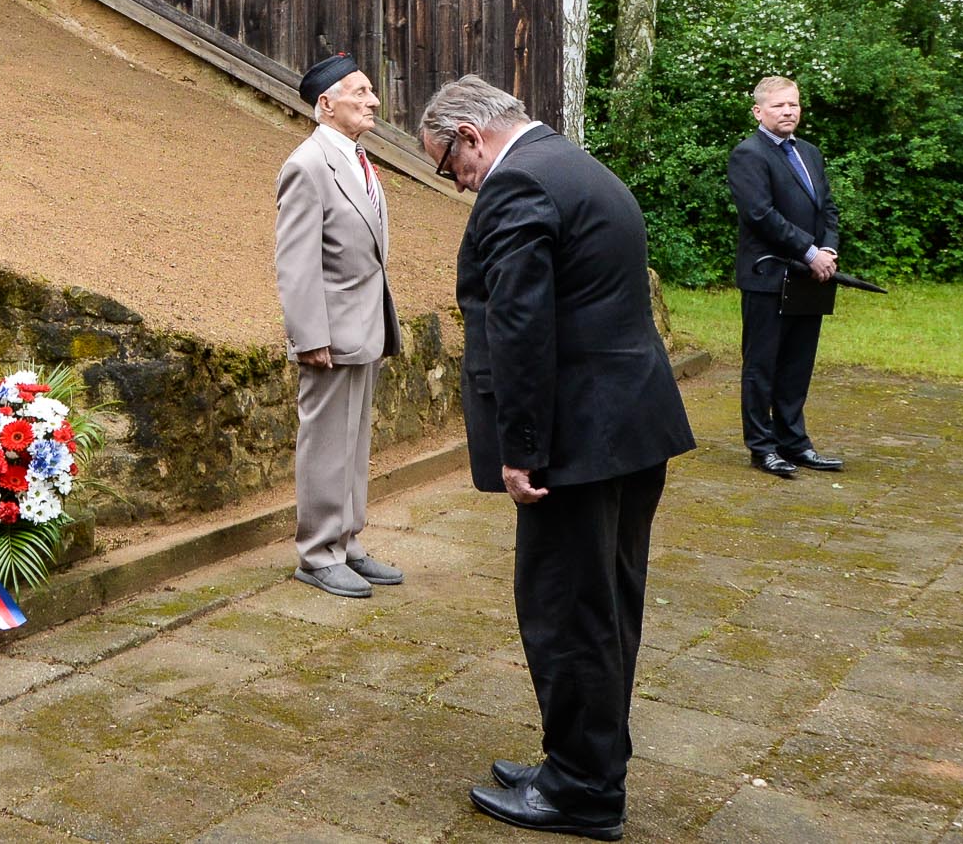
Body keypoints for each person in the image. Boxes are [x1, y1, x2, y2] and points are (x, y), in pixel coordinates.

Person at [418, 75, 694, 841]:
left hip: (576, 440)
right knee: (606, 609)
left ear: (471, 137)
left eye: (450, 166)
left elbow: (519, 323)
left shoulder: (518, 185)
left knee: (566, 612)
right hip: (632, 425)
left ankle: (582, 791)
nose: (458, 182)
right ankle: (584, 757)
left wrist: (521, 449)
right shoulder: (575, 164)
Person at [274, 52, 404, 599]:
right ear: (326, 103)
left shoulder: (356, 157)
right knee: (325, 444)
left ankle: (346, 542)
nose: (373, 101)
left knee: (351, 443)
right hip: (329, 334)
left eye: (371, 91)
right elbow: (295, 261)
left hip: (364, 324)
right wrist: (311, 338)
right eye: (360, 93)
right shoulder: (307, 164)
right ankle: (317, 553)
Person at [727, 75, 844, 479]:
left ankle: (795, 443)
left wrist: (827, 249)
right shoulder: (749, 154)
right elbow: (760, 215)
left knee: (797, 364)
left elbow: (827, 207)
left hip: (811, 277)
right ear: (759, 111)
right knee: (762, 366)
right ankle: (762, 447)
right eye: (779, 105)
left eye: (793, 104)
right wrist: (809, 252)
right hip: (769, 277)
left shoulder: (809, 153)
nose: (789, 111)